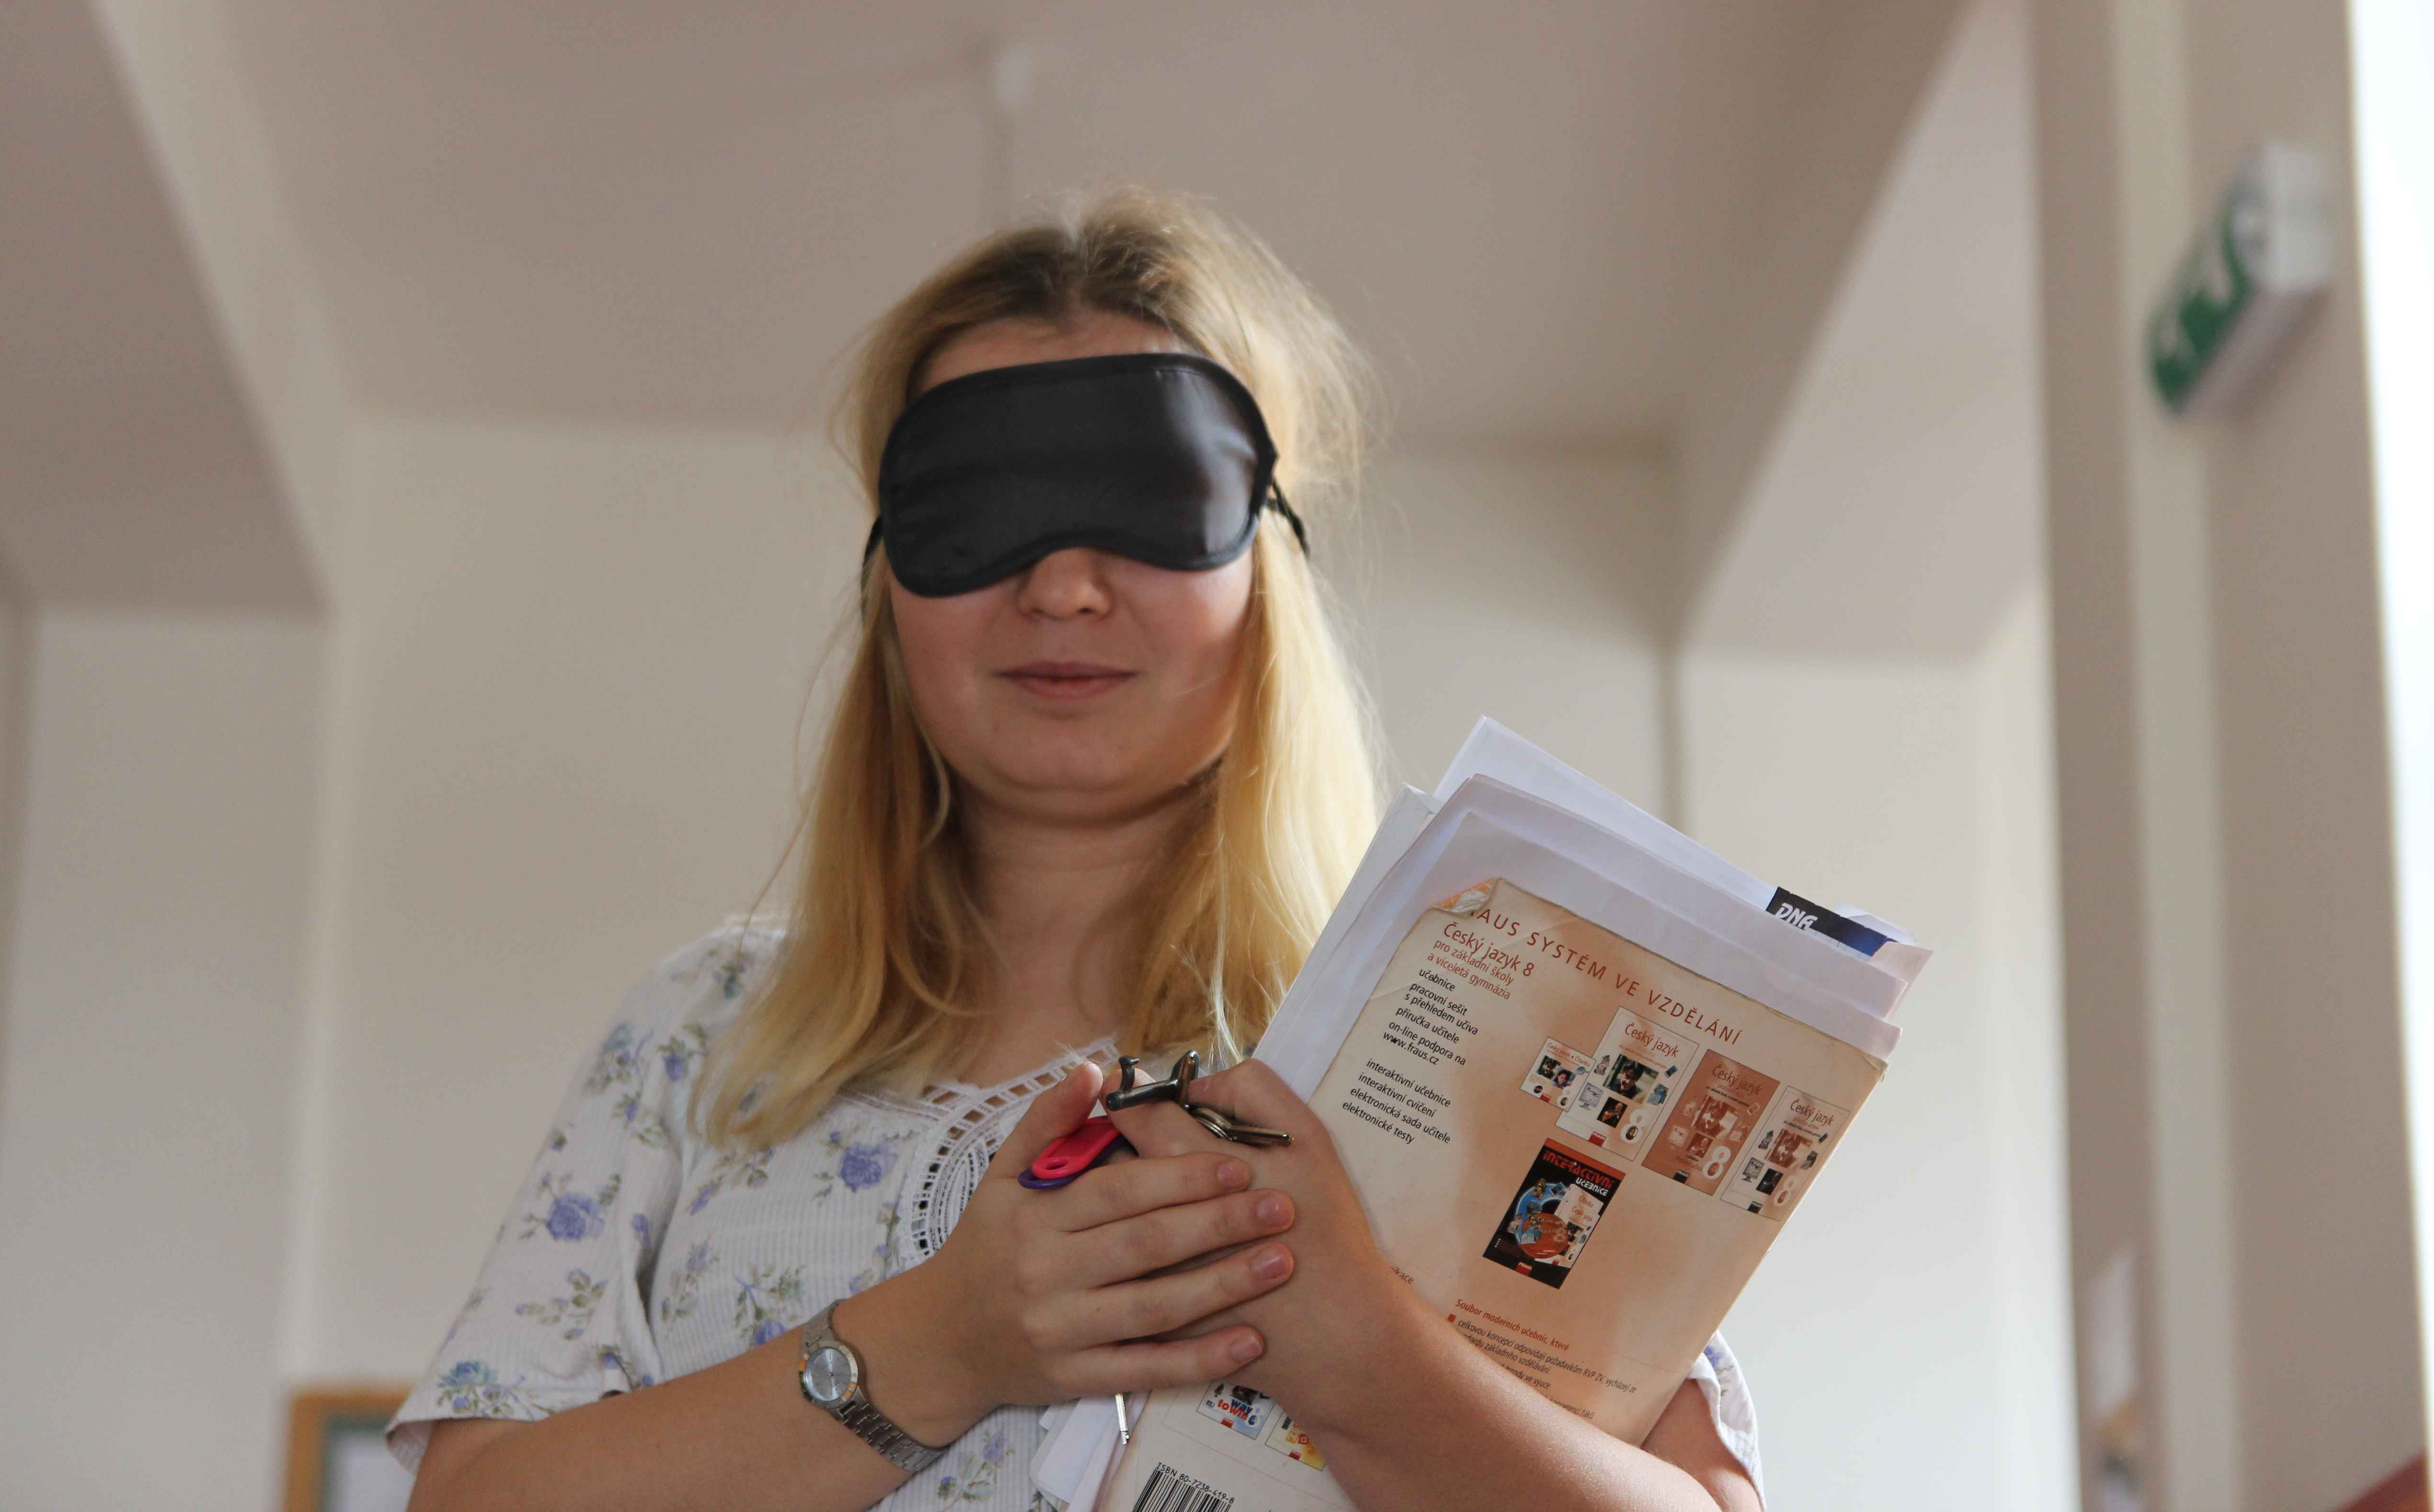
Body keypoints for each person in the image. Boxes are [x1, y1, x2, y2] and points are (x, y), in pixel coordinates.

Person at [388, 186, 1766, 1512]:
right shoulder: (704, 1035)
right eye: (981, 510)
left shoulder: (1470, 1026)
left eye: (1145, 502)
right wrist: (939, 1345)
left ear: (1265, 562)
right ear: (890, 581)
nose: (1060, 588)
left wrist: (1359, 1344)